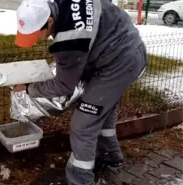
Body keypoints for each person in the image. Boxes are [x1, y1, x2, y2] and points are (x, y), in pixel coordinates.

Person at [12, 0, 147, 184]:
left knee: (82, 125)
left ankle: (80, 180)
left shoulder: (70, 39)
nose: (34, 39)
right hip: (126, 47)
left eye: (36, 33)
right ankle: (111, 157)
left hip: (120, 64)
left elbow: (63, 86)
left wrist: (29, 88)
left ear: (50, 21)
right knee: (102, 111)